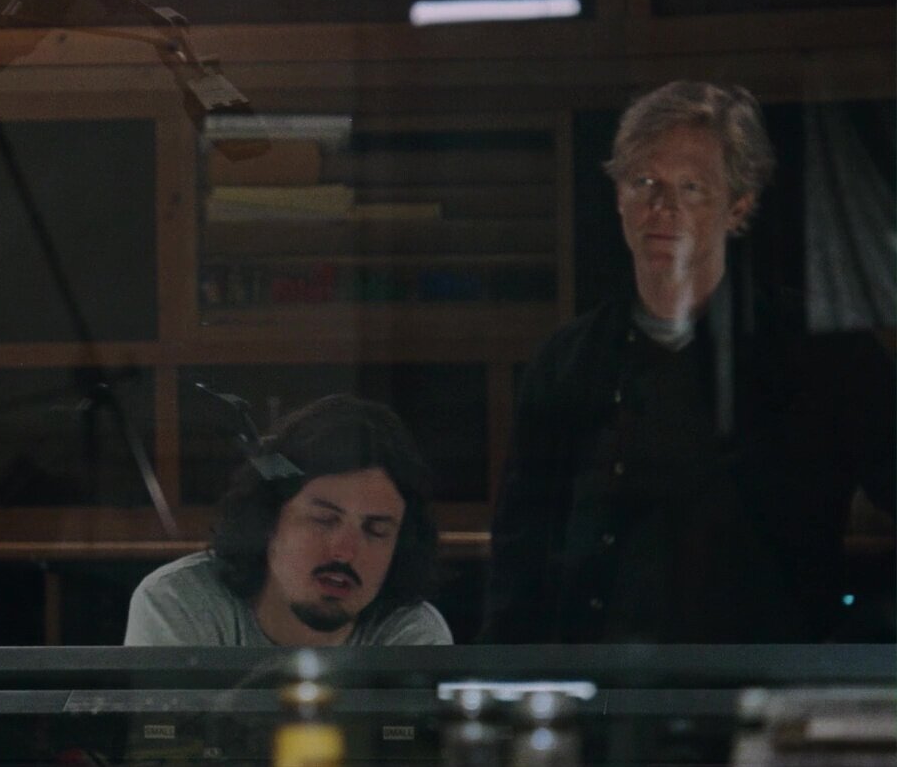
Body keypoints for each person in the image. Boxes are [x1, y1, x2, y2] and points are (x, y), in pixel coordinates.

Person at [482, 81, 894, 643]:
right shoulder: (568, 362)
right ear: (619, 196)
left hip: (770, 681)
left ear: (738, 207)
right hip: (602, 683)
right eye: (644, 182)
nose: (663, 207)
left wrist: (857, 649)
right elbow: (519, 561)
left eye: (692, 187)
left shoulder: (823, 355)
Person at [125, 394, 450, 646]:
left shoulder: (411, 632)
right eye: (324, 520)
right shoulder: (180, 603)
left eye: (376, 531)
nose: (345, 551)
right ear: (267, 519)